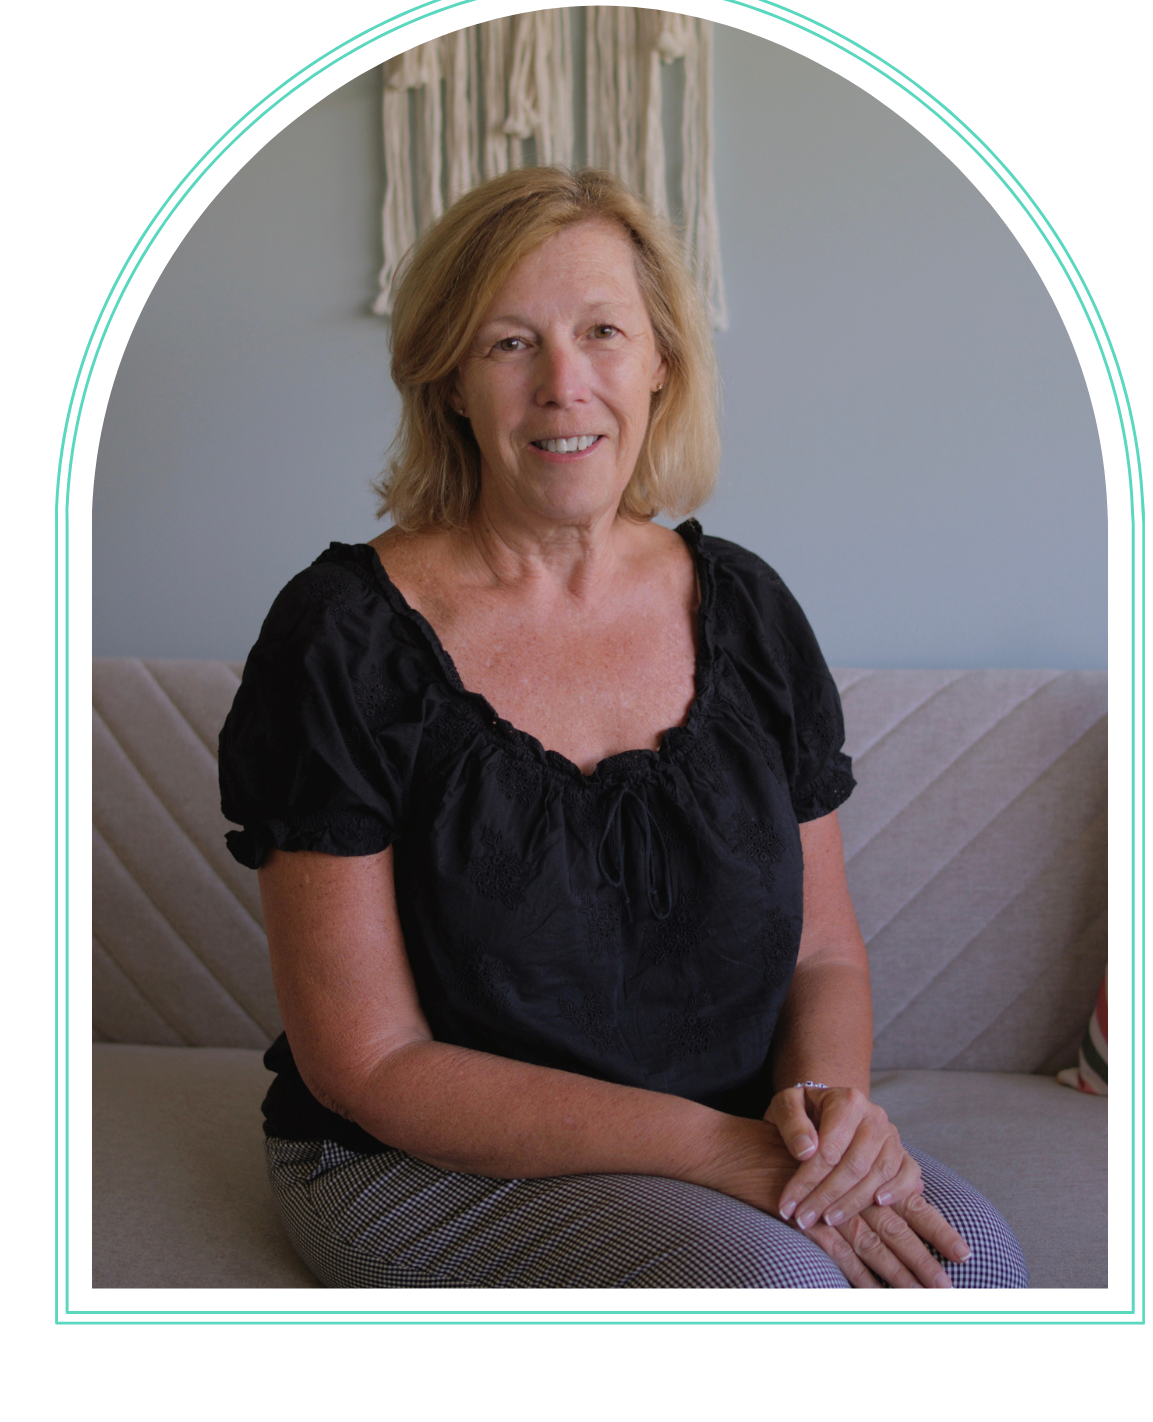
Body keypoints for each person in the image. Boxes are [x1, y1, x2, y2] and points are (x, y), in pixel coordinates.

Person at [218, 166, 1028, 1290]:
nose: (564, 384)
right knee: (776, 1293)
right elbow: (370, 1059)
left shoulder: (746, 607)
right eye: (510, 342)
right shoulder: (342, 637)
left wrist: (828, 1122)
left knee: (980, 1268)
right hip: (418, 1160)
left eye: (602, 330)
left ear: (660, 363)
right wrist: (719, 1153)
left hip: (740, 1136)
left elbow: (824, 953)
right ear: (450, 377)